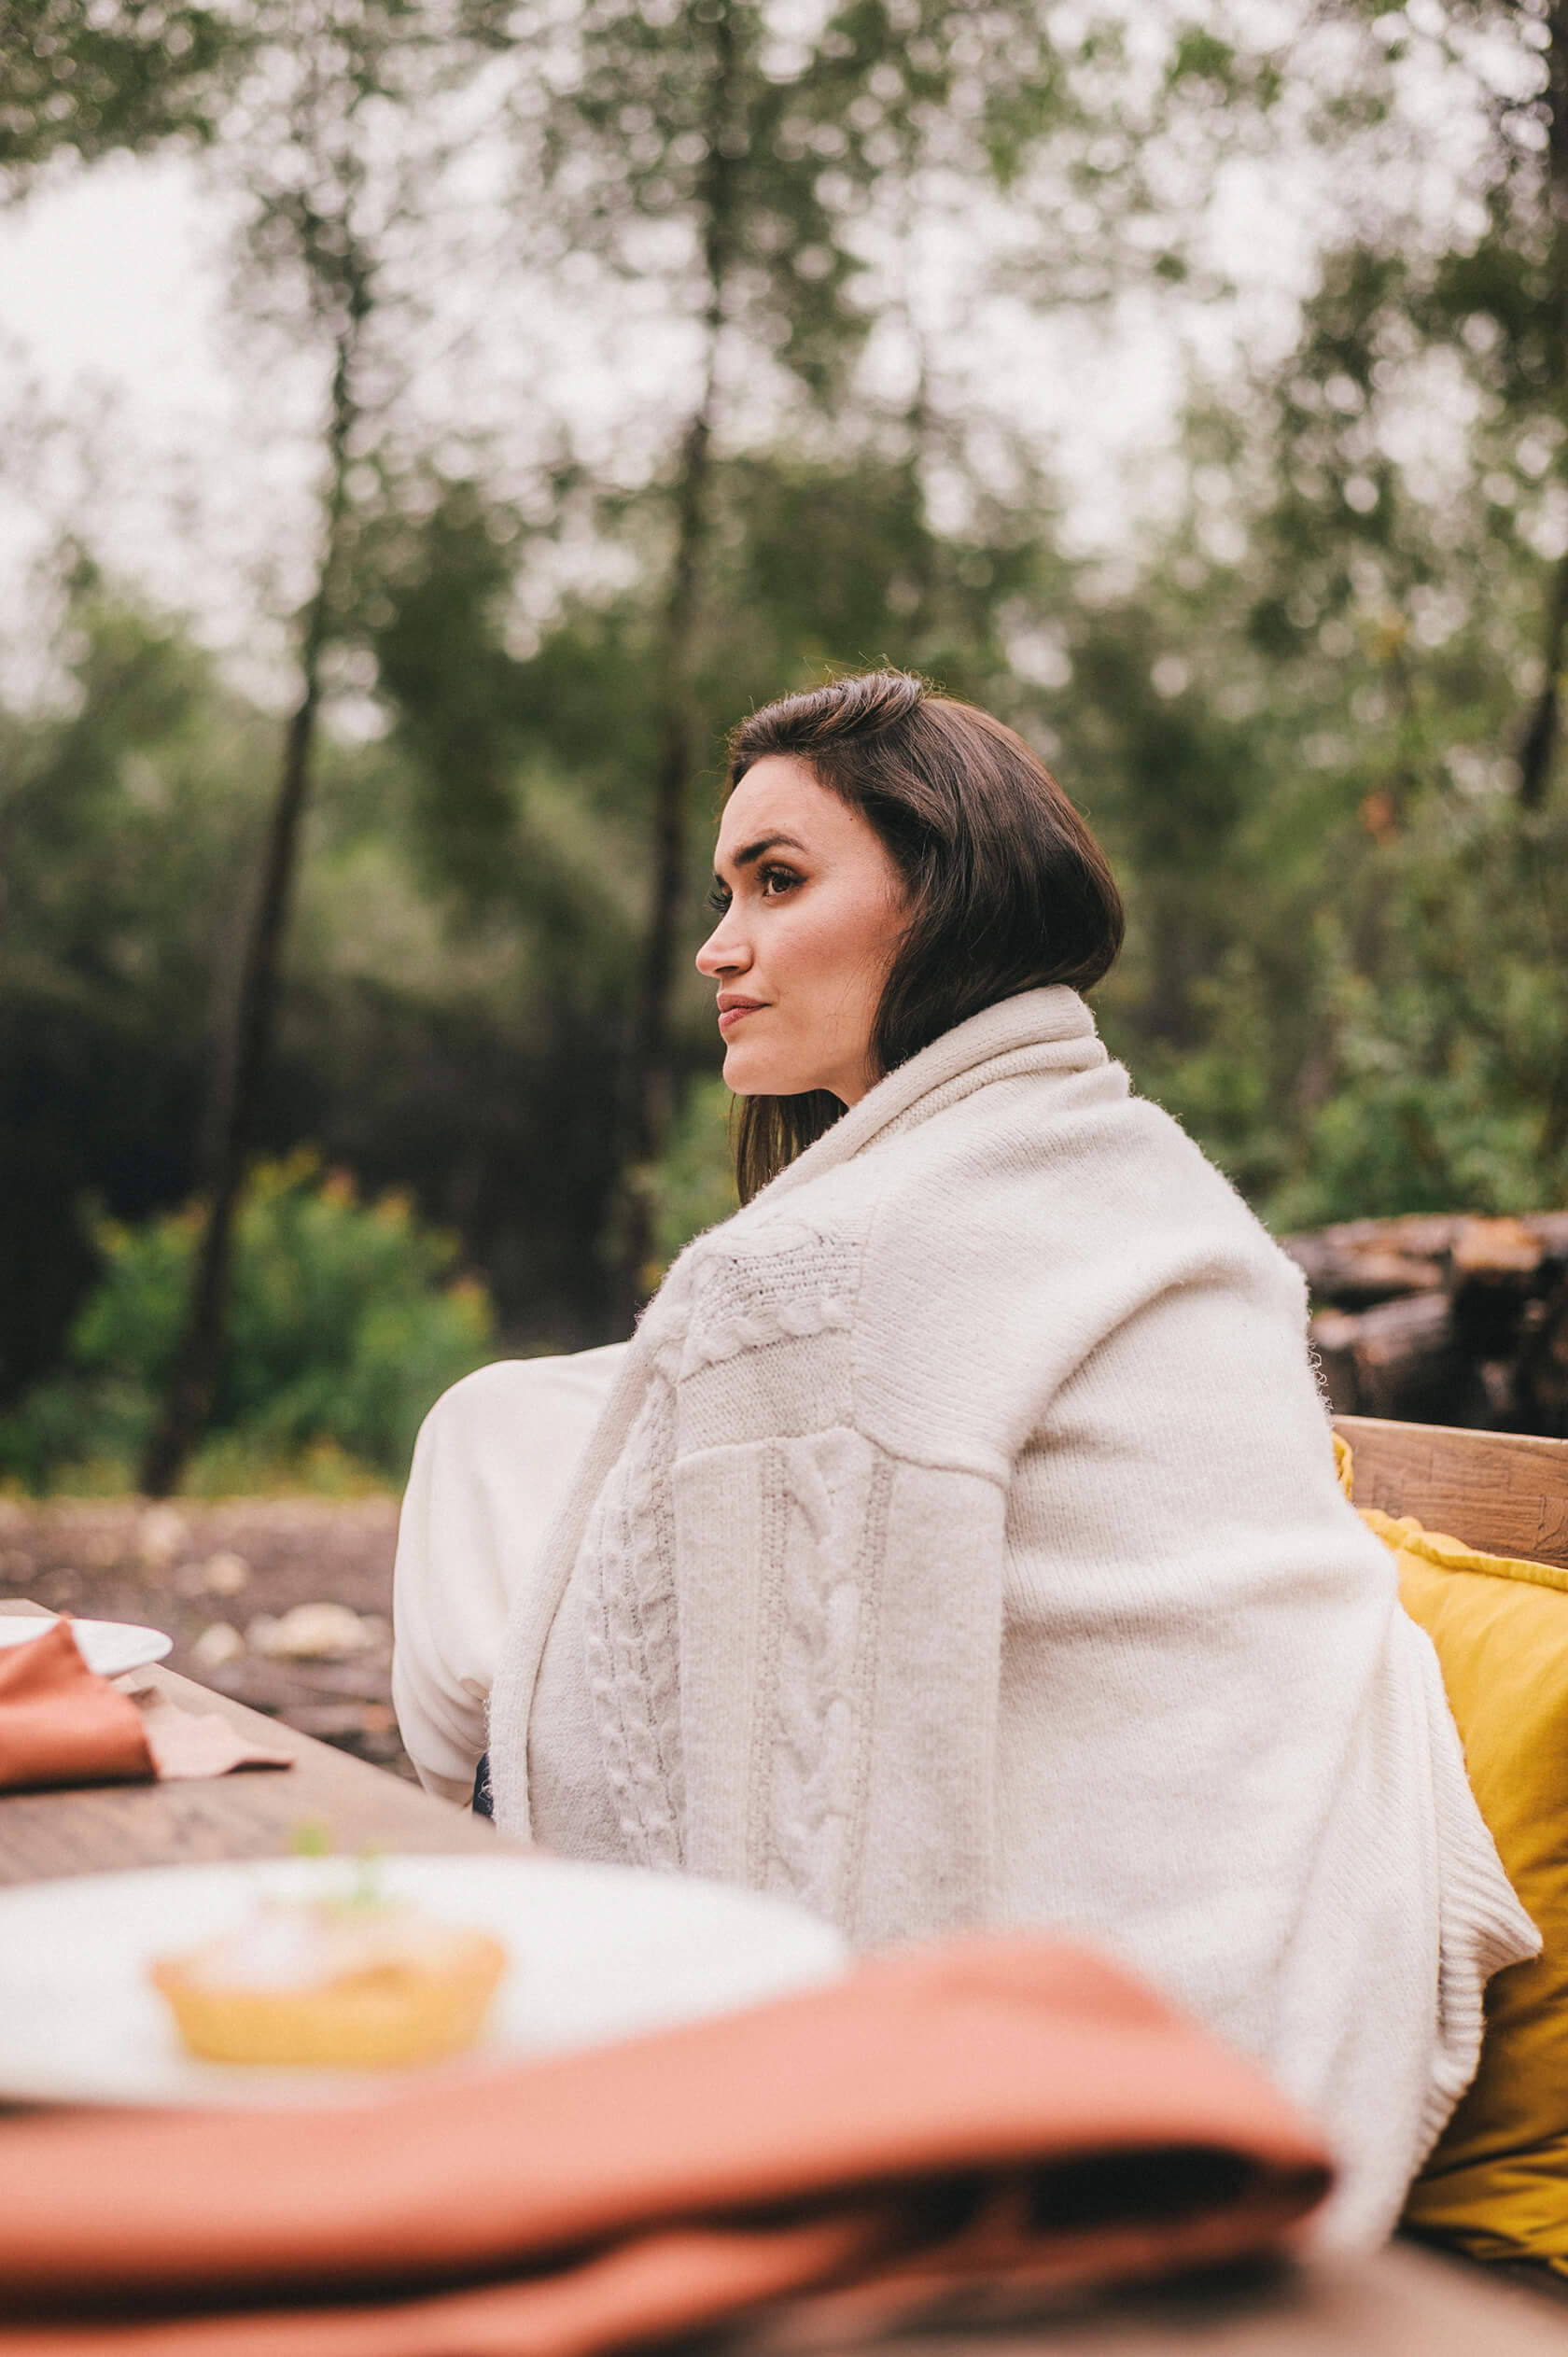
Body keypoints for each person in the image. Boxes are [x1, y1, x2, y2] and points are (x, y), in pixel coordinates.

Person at [393, 669, 1534, 2250]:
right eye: (724, 892)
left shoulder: (829, 1276)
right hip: (1319, 1968)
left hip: (1142, 2022)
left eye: (778, 883)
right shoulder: (1135, 1173)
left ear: (943, 897)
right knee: (505, 1422)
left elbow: (798, 1831)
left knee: (499, 1475)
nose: (720, 948)